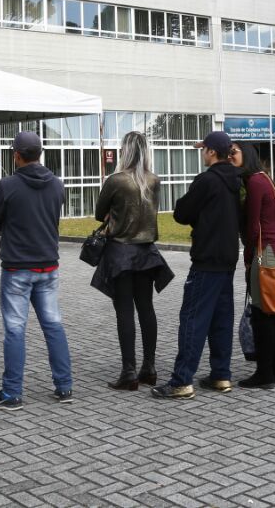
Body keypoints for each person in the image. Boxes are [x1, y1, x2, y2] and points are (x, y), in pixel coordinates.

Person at [0, 131, 72, 410]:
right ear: (39, 153)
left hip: (17, 267)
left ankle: (12, 393)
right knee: (54, 325)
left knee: (15, 329)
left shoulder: (7, 185)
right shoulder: (57, 184)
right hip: (48, 265)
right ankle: (64, 387)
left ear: (16, 155)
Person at [152, 131, 242, 400]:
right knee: (221, 320)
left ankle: (182, 381)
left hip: (206, 259)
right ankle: (221, 375)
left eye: (204, 149)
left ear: (212, 152)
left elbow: (181, 213)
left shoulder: (207, 180)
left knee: (193, 319)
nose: (202, 153)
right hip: (228, 258)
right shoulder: (236, 180)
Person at [91, 130, 174, 391]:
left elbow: (99, 213)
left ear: (125, 151)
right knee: (146, 308)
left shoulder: (116, 180)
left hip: (120, 253)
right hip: (147, 253)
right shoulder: (154, 180)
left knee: (125, 310)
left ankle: (129, 371)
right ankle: (149, 367)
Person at [236, 142, 275, 389]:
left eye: (234, 152)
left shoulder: (255, 182)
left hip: (264, 252)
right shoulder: (265, 178)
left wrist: (248, 258)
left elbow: (253, 225)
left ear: (246, 156)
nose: (230, 156)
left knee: (262, 313)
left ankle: (265, 373)